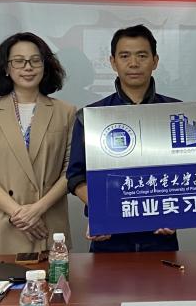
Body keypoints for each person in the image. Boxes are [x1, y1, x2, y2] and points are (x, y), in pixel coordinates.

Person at [66, 25, 180, 252]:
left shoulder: (176, 113)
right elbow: (76, 176)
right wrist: (104, 210)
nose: (134, 63)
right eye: (125, 56)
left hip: (161, 235)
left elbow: (192, 173)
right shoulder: (91, 116)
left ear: (155, 61)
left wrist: (178, 211)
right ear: (113, 62)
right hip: (109, 237)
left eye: (142, 56)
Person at [0, 32, 76, 256]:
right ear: (6, 68)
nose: (28, 67)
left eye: (35, 60)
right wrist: (19, 213)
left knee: (51, 280)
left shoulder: (65, 112)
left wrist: (37, 210)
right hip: (1, 225)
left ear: (45, 66)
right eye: (19, 61)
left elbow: (71, 169)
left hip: (46, 225)